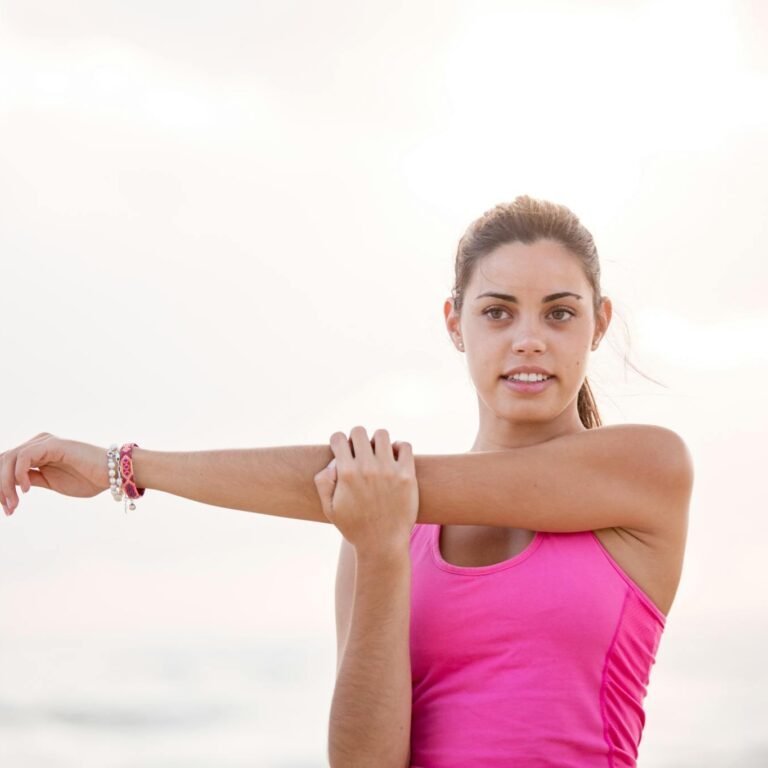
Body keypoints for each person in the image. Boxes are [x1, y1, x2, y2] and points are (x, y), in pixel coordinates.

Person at [0, 195, 693, 767]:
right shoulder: (381, 513)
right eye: (498, 311)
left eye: (560, 313)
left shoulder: (645, 470)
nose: (529, 339)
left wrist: (120, 465)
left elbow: (332, 482)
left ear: (599, 323)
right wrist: (384, 552)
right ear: (455, 323)